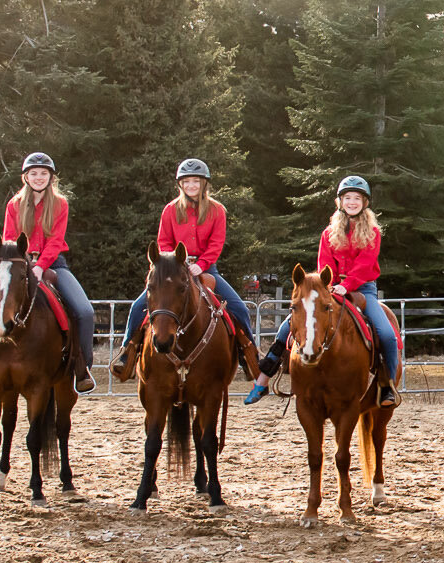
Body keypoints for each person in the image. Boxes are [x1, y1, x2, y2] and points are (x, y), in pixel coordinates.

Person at [0, 152, 96, 393]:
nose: (38, 178)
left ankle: (82, 367)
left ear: (51, 177)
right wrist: (25, 265)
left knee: (84, 311)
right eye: (34, 173)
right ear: (25, 177)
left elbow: (56, 241)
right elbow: (8, 239)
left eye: (43, 173)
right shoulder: (14, 205)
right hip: (16, 264)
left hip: (52, 263)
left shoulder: (60, 204)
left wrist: (39, 266)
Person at [245, 176, 400, 407]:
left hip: (363, 288)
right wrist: (330, 286)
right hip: (330, 287)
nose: (352, 202)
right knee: (286, 326)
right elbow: (324, 265)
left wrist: (346, 285)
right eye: (347, 198)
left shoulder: (373, 233)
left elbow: (365, 265)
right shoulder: (328, 233)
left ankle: (387, 385)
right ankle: (263, 379)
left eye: (357, 198)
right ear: (340, 201)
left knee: (386, 334)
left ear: (365, 202)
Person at [113, 158, 259, 384]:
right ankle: (127, 353)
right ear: (180, 184)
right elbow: (163, 241)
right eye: (187, 181)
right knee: (138, 307)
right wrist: (176, 263)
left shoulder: (217, 210)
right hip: (172, 268)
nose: (191, 185)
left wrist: (200, 264)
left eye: (196, 181)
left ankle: (248, 356)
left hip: (206, 267)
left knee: (239, 309)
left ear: (204, 183)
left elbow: (217, 242)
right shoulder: (170, 210)